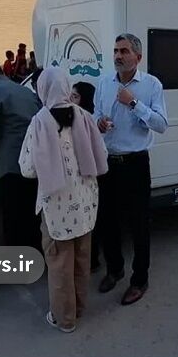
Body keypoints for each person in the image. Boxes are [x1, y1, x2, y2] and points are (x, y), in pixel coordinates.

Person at [19, 68, 108, 333]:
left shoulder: (39, 122)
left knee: (59, 264)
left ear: (42, 89)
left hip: (56, 208)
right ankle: (79, 308)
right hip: (85, 205)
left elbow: (27, 168)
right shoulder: (85, 116)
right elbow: (100, 152)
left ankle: (64, 318)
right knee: (82, 260)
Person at [94, 33, 168, 306]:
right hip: (108, 162)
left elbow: (161, 124)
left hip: (136, 163)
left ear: (138, 57)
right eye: (115, 50)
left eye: (124, 51)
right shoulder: (103, 83)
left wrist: (134, 103)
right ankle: (115, 269)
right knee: (108, 221)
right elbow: (93, 114)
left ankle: (139, 280)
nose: (118, 55)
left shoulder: (151, 85)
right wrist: (98, 123)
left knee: (139, 225)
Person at [0, 61, 42, 248]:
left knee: (13, 217)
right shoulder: (24, 90)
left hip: (11, 161)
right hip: (35, 159)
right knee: (32, 214)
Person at [71, 81, 101, 271]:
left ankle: (92, 260)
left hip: (88, 181)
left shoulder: (87, 120)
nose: (70, 100)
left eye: (75, 96)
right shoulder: (72, 118)